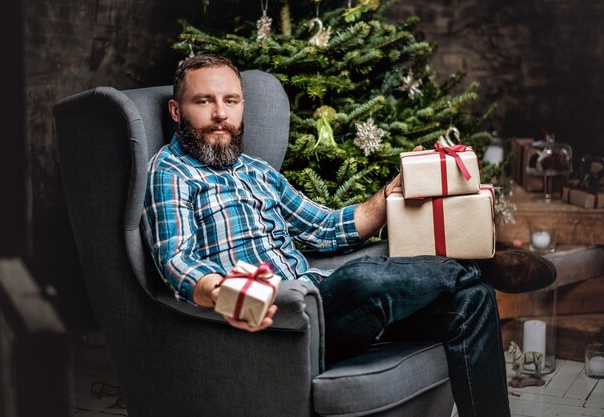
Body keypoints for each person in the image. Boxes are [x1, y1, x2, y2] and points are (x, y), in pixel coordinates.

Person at [142, 54, 556, 417]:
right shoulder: (171, 171)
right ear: (177, 111)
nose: (220, 114)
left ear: (241, 106)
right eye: (204, 101)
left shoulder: (256, 171)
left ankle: (471, 276)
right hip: (284, 320)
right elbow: (176, 260)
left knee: (473, 301)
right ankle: (475, 265)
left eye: (230, 101)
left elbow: (322, 227)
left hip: (330, 305)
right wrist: (226, 294)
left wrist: (386, 195)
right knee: (365, 277)